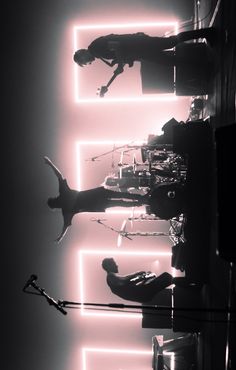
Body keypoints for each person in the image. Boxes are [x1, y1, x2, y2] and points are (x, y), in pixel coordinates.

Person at [44, 157, 150, 243]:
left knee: (120, 202)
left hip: (98, 205)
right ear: (53, 199)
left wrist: (61, 237)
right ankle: (142, 199)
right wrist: (50, 163)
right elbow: (59, 175)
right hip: (97, 193)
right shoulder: (64, 195)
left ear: (55, 207)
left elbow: (65, 226)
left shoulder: (66, 210)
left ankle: (141, 202)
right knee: (121, 196)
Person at [73, 28, 218, 70]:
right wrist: (124, 61)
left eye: (86, 62)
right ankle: (204, 64)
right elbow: (119, 48)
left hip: (141, 47)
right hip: (140, 47)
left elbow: (117, 46)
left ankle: (207, 34)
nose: (89, 63)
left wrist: (122, 60)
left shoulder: (96, 49)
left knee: (171, 44)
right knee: (171, 54)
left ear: (83, 55)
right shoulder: (97, 50)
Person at [102, 257, 199, 303]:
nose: (117, 265)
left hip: (142, 295)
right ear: (108, 265)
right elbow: (123, 280)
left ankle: (193, 286)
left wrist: (144, 278)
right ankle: (194, 282)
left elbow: (128, 285)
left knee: (167, 279)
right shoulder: (110, 276)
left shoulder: (113, 279)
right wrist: (137, 273)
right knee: (167, 277)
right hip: (142, 293)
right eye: (114, 263)